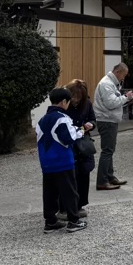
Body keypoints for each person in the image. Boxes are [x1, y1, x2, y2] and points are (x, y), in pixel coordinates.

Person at [37, 88, 88, 233]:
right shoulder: (62, 118)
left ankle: (50, 221)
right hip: (63, 161)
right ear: (64, 102)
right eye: (68, 102)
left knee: (49, 193)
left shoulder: (42, 120)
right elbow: (68, 138)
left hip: (46, 162)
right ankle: (74, 220)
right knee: (69, 191)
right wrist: (81, 130)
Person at [93, 62, 133, 190]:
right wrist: (126, 97)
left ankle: (109, 176)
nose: (124, 78)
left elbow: (113, 102)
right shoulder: (106, 84)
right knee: (107, 151)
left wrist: (125, 99)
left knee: (109, 150)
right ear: (117, 72)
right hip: (107, 120)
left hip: (109, 119)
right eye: (124, 75)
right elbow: (111, 103)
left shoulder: (110, 83)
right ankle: (102, 181)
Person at [60, 79, 96, 218]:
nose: (75, 100)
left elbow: (93, 119)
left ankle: (80, 204)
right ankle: (64, 207)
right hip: (68, 144)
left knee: (83, 174)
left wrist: (90, 124)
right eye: (73, 96)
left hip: (82, 143)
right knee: (69, 176)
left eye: (78, 97)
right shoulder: (63, 105)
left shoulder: (87, 104)